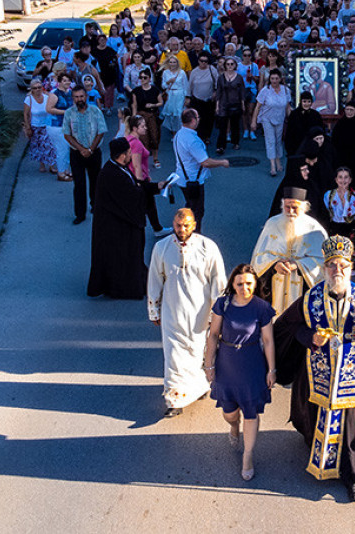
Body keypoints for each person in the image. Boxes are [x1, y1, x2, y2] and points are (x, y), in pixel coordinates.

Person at [272, 236, 355, 501]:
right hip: (319, 371)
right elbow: (288, 326)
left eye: (343, 265)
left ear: (351, 267)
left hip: (352, 373)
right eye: (332, 265)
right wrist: (310, 338)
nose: (337, 270)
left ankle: (353, 477)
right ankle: (321, 461)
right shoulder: (310, 298)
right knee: (316, 414)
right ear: (324, 268)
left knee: (351, 426)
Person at [148, 208, 227, 417]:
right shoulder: (162, 247)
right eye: (177, 225)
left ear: (194, 225)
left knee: (196, 351)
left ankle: (198, 387)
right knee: (174, 355)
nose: (181, 230)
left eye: (186, 226)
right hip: (172, 311)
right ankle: (174, 400)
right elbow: (155, 279)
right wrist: (153, 309)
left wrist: (217, 313)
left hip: (199, 312)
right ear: (173, 224)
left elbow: (218, 282)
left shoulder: (208, 248)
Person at [203, 263, 277, 481]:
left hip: (252, 365)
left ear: (255, 284)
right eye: (240, 284)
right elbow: (213, 335)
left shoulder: (262, 308)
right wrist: (209, 364)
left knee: (252, 412)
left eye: (249, 284)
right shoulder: (223, 304)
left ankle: (248, 455)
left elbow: (268, 340)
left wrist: (271, 369)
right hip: (227, 365)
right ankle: (234, 426)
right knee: (229, 412)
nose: (244, 288)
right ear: (233, 284)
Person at [87, 138, 164, 299]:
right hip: (115, 227)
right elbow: (132, 195)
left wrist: (156, 186)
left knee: (125, 257)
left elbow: (136, 185)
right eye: (129, 152)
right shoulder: (111, 174)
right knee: (122, 258)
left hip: (119, 224)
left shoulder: (118, 168)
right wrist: (147, 193)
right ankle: (126, 288)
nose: (131, 155)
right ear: (122, 155)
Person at [251, 187, 328, 316]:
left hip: (302, 286)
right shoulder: (272, 223)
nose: (291, 211)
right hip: (274, 284)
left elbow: (321, 260)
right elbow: (259, 255)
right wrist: (274, 263)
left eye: (295, 207)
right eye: (287, 207)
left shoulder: (314, 228)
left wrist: (298, 265)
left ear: (303, 208)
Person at [172, 109, 230, 232]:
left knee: (190, 207)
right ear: (193, 121)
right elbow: (205, 162)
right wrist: (222, 162)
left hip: (183, 178)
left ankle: (184, 230)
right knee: (197, 212)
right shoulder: (192, 140)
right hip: (193, 180)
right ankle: (193, 236)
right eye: (197, 117)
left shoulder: (179, 134)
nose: (199, 119)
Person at [64, 85, 108, 225]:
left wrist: (90, 149)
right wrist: (81, 149)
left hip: (94, 153)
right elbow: (67, 134)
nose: (79, 99)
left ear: (86, 97)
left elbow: (101, 131)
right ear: (73, 98)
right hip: (76, 154)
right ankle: (80, 214)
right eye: (76, 97)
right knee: (79, 184)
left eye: (81, 96)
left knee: (96, 181)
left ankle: (96, 206)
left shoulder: (95, 111)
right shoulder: (69, 113)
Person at [123, 114, 170, 236]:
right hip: (139, 179)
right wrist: (141, 183)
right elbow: (137, 165)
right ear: (135, 128)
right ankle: (155, 229)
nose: (146, 128)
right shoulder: (136, 144)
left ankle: (157, 228)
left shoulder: (129, 139)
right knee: (145, 205)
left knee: (149, 205)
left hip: (137, 177)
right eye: (142, 126)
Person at [253, 68, 291, 176]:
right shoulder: (265, 90)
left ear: (280, 79)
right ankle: (273, 165)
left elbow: (288, 107)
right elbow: (257, 107)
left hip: (280, 118)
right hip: (267, 118)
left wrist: (292, 119)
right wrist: (254, 121)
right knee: (271, 141)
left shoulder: (285, 90)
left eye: (276, 78)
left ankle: (278, 160)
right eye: (272, 78)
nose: (274, 81)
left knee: (279, 140)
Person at [45, 72, 75, 182]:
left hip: (67, 125)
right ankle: (61, 173)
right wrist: (65, 112)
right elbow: (49, 109)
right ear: (59, 82)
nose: (67, 82)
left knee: (67, 149)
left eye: (69, 80)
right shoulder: (54, 94)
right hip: (56, 125)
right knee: (61, 149)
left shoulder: (70, 93)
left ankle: (66, 171)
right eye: (64, 80)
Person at [132, 69, 164, 168]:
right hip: (141, 116)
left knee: (154, 137)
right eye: (140, 77)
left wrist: (153, 105)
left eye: (144, 77)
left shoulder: (154, 90)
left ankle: (155, 158)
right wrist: (133, 119)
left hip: (152, 116)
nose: (142, 79)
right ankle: (143, 161)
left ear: (149, 79)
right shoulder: (136, 91)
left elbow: (161, 102)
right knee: (143, 139)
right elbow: (134, 105)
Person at [23, 79, 56, 174]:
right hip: (35, 126)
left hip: (47, 125)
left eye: (39, 87)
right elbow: (25, 114)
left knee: (49, 145)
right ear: (31, 89)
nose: (37, 89)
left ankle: (51, 165)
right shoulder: (28, 99)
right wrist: (28, 127)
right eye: (35, 88)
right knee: (39, 146)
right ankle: (42, 164)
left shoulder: (46, 97)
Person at [215, 56, 247, 153]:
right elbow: (218, 92)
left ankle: (235, 142)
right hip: (223, 104)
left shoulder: (239, 77)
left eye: (232, 64)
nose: (230, 66)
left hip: (235, 103)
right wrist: (217, 105)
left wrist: (243, 104)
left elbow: (242, 92)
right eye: (228, 64)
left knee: (235, 125)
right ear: (225, 66)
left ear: (235, 65)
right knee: (222, 126)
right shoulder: (221, 78)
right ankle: (221, 146)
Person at [187, 53, 219, 142]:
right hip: (197, 99)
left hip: (209, 100)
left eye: (206, 61)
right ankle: (199, 137)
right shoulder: (194, 72)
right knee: (197, 119)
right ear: (198, 61)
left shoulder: (212, 70)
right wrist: (188, 97)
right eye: (202, 61)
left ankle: (207, 136)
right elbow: (190, 85)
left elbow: (217, 82)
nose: (204, 63)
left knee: (208, 119)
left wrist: (215, 92)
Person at [283, 92, 323, 158]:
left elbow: (320, 131)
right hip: (296, 147)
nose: (306, 104)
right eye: (304, 101)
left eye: (309, 101)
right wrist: (290, 150)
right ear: (301, 101)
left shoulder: (316, 115)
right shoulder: (294, 114)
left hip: (312, 147)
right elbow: (289, 133)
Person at [324, 167, 355, 239]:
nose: (343, 180)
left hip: (349, 229)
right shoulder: (329, 195)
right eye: (340, 177)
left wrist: (344, 201)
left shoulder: (354, 195)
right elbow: (325, 213)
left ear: (350, 180)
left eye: (346, 177)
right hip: (334, 229)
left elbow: (351, 213)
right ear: (336, 180)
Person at [161, 55, 189, 135]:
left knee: (179, 115)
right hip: (170, 94)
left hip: (179, 95)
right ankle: (173, 134)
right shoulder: (165, 72)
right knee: (171, 115)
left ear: (177, 63)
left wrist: (186, 98)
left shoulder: (182, 72)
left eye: (174, 62)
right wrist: (169, 81)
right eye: (171, 62)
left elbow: (185, 86)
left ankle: (181, 133)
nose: (172, 64)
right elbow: (163, 86)